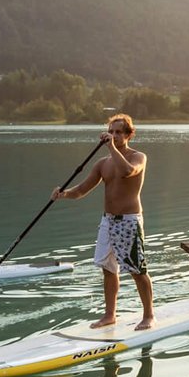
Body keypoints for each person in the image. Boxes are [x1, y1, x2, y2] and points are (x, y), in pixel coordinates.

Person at [53, 114, 155, 329]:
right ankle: (110, 315)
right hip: (108, 222)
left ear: (129, 135)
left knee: (137, 270)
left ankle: (148, 316)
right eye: (111, 131)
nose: (114, 135)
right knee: (108, 269)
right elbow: (81, 190)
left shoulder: (138, 157)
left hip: (129, 221)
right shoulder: (102, 164)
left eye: (119, 132)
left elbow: (128, 172)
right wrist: (63, 194)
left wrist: (112, 148)